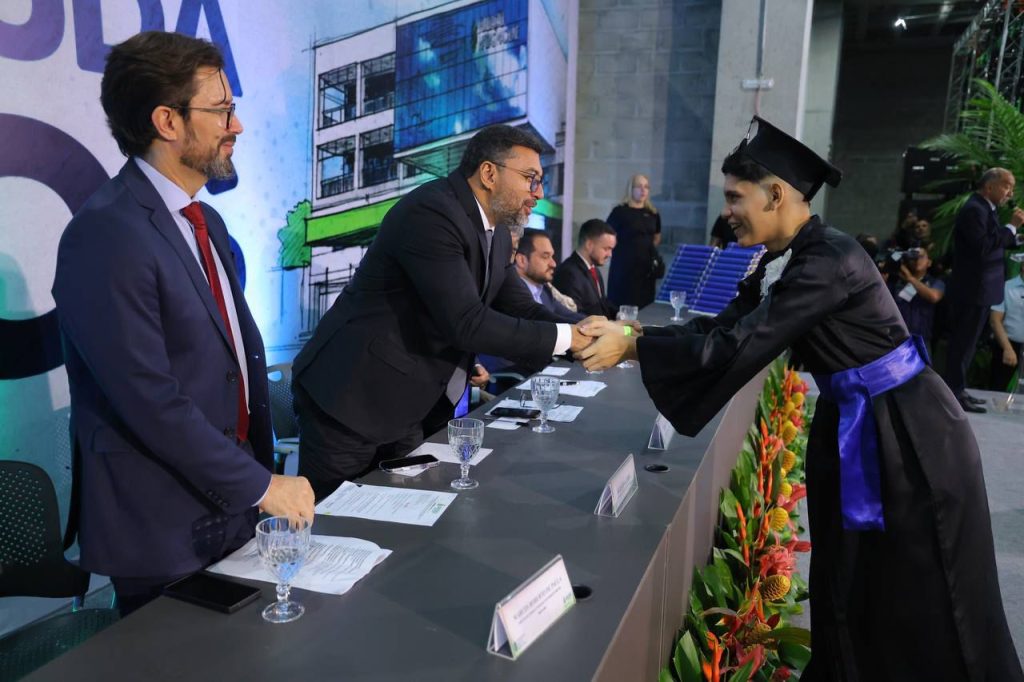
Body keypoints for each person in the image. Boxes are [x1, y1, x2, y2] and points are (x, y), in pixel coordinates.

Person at [576, 116, 1023, 681]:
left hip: (909, 438)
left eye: (735, 197)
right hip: (858, 424)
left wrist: (634, 346)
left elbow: (741, 345)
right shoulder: (783, 257)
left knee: (928, 592)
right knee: (849, 579)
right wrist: (634, 334)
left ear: (775, 195)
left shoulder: (828, 260)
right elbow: (724, 327)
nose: (728, 211)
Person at [51, 32, 314, 616]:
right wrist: (264, 485)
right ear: (167, 121)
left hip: (229, 509)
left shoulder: (206, 221)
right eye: (221, 110)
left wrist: (254, 481)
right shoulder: (106, 233)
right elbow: (148, 398)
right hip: (162, 528)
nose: (236, 126)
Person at [292, 125, 595, 499]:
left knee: (399, 513)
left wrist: (591, 329)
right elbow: (466, 323)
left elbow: (521, 308)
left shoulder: (498, 233)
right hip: (351, 400)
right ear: (489, 173)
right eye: (530, 178)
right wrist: (570, 338)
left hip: (409, 404)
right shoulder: (432, 212)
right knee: (334, 523)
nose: (539, 193)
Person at [943, 168, 1024, 413]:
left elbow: (994, 241)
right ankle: (952, 395)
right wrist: (1011, 227)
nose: (1010, 193)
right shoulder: (974, 209)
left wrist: (1016, 237)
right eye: (1006, 186)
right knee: (962, 344)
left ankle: (958, 390)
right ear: (989, 187)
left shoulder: (986, 208)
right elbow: (982, 246)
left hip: (980, 290)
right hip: (973, 290)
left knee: (968, 344)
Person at [606, 173, 663, 308]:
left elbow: (657, 237)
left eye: (646, 187)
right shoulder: (619, 212)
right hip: (624, 270)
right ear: (631, 189)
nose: (643, 190)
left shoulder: (653, 213)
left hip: (645, 271)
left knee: (644, 307)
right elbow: (606, 235)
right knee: (621, 307)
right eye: (639, 186)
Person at [553, 218, 619, 318]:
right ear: (589, 245)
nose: (610, 254)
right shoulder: (568, 273)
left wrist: (620, 314)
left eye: (611, 249)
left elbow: (602, 303)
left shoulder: (594, 269)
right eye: (606, 249)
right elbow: (574, 314)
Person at [886, 241, 944, 348]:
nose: (917, 260)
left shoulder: (935, 282)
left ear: (929, 262)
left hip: (921, 339)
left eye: (921, 257)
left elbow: (933, 297)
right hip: (897, 337)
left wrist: (910, 279)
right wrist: (898, 255)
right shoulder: (896, 281)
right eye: (913, 257)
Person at [989, 270, 1024, 392]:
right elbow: (995, 320)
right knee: (997, 389)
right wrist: (1007, 349)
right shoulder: (1006, 287)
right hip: (1008, 345)